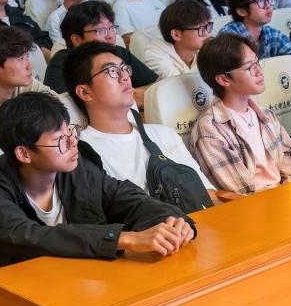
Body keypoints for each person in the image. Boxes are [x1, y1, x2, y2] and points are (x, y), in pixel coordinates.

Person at [0, 92, 196, 279]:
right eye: (60, 140)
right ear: (24, 154)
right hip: (12, 291)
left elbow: (125, 197)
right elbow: (28, 236)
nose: (73, 142)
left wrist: (173, 222)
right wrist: (125, 239)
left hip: (78, 279)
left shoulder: (78, 167)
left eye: (71, 131)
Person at [64, 41, 214, 199]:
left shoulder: (164, 134)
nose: (125, 77)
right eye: (112, 71)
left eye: (124, 68)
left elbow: (208, 193)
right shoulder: (83, 153)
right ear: (85, 92)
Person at [191, 33, 291, 195]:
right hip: (255, 204)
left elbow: (290, 163)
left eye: (257, 62)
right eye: (250, 67)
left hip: (285, 194)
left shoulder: (265, 114)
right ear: (223, 79)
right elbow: (240, 190)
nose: (259, 71)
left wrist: (290, 187)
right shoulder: (210, 128)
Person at [43, 1, 158, 106]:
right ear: (77, 39)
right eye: (100, 31)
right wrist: (128, 98)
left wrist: (130, 96)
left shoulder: (118, 53)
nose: (110, 36)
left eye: (111, 28)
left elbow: (157, 86)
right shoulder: (62, 63)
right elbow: (61, 109)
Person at [142, 0, 212, 78]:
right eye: (201, 29)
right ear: (176, 35)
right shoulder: (155, 56)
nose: (208, 33)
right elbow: (181, 85)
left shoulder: (204, 48)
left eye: (208, 27)